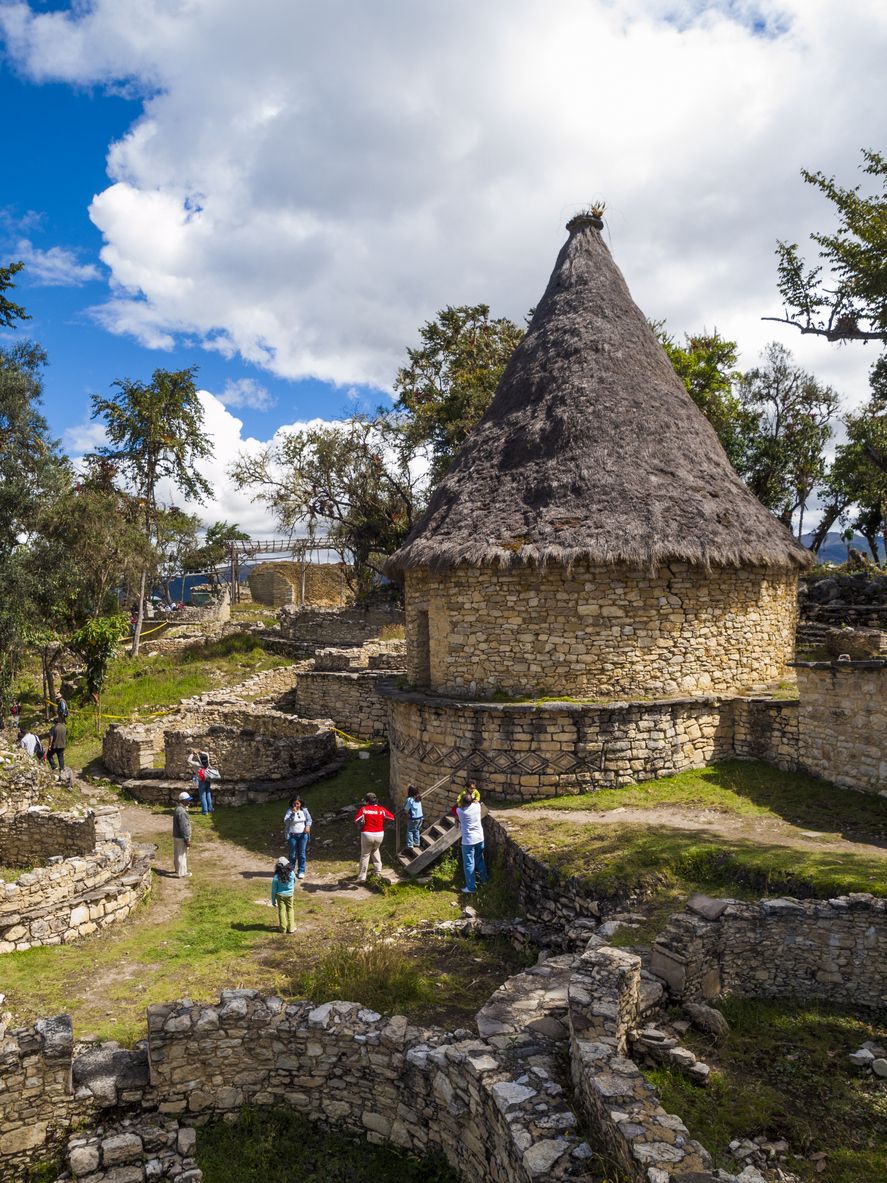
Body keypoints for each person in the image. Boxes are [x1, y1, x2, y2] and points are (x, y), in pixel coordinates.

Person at [452, 784, 488, 894]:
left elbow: (454, 809)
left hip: (468, 841)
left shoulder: (461, 811)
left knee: (469, 863)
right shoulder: (477, 807)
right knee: (479, 859)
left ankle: (471, 887)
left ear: (463, 803)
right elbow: (476, 802)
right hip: (479, 838)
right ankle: (484, 880)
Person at [353, 792, 395, 882]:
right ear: (376, 801)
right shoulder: (381, 809)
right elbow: (392, 818)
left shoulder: (364, 809)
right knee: (375, 850)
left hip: (367, 834)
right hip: (379, 834)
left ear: (367, 801)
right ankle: (378, 871)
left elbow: (356, 820)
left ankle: (362, 876)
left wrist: (363, 821)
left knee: (365, 855)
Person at [283, 795, 313, 879]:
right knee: (292, 854)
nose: (296, 805)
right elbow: (286, 822)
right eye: (294, 803)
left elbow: (309, 820)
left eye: (297, 803)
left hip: (303, 835)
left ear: (300, 803)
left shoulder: (305, 811)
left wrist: (307, 826)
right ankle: (291, 871)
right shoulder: (289, 811)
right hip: (292, 835)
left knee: (302, 854)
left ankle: (301, 871)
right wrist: (293, 813)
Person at [271, 856, 297, 934]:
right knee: (290, 910)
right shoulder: (292, 873)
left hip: (280, 896)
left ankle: (283, 928)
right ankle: (291, 927)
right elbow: (294, 882)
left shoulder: (276, 876)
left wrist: (273, 900)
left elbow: (273, 889)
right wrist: (291, 890)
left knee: (281, 911)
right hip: (289, 895)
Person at [172, 791, 193, 878]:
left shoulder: (178, 809)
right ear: (183, 801)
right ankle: (182, 873)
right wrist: (187, 839)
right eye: (187, 800)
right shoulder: (182, 812)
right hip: (181, 837)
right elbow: (184, 827)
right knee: (182, 855)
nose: (189, 802)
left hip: (176, 836)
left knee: (177, 853)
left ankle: (177, 869)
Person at [187, 748, 213, 815]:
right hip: (208, 779)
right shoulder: (207, 763)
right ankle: (210, 808)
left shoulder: (197, 764)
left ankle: (205, 811)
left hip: (201, 781)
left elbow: (189, 760)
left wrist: (193, 753)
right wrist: (201, 752)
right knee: (208, 794)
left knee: (203, 796)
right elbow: (206, 754)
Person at [402, 784, 424, 849]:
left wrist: (405, 813)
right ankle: (417, 842)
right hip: (420, 817)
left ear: (410, 791)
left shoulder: (410, 800)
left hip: (414, 818)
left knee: (410, 831)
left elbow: (406, 809)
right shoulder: (419, 798)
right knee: (416, 830)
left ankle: (410, 844)